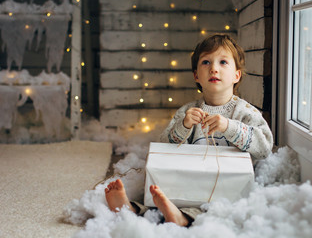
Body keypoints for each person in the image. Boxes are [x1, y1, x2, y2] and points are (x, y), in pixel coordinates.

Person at [105, 34, 273, 227]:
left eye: (223, 62)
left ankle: (181, 217)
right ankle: (133, 208)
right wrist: (184, 126)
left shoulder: (245, 112)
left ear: (237, 75)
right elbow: (164, 146)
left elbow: (265, 147)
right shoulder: (188, 111)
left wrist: (229, 127)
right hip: (191, 178)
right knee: (162, 190)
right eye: (206, 62)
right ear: (196, 76)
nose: (214, 68)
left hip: (228, 183)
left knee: (218, 207)